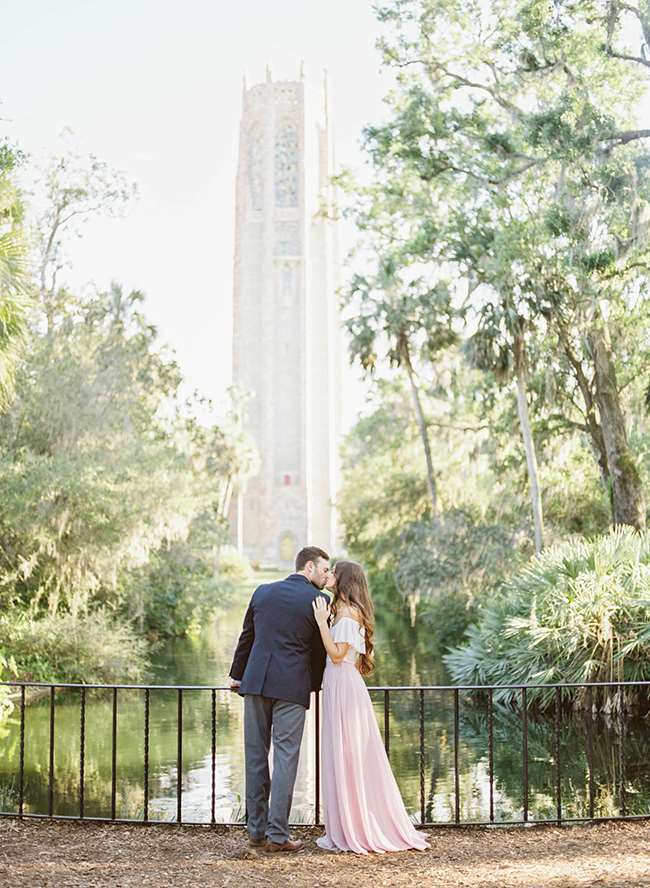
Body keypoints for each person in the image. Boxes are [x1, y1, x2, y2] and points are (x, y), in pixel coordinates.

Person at [312, 560, 429, 854]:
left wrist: (319, 622)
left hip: (344, 685)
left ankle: (359, 826)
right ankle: (347, 822)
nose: (331, 575)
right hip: (338, 685)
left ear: (344, 580)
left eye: (334, 572)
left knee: (350, 754)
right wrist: (326, 620)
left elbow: (338, 655)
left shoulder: (350, 614)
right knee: (342, 752)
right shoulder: (341, 612)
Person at [229, 546, 330, 853]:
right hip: (291, 688)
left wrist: (237, 675)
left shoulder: (262, 592)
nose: (327, 576)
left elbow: (247, 637)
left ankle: (256, 832)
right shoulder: (319, 601)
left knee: (255, 756)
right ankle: (278, 836)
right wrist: (312, 686)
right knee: (286, 758)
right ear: (309, 568)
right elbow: (318, 653)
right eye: (325, 570)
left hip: (256, 682)